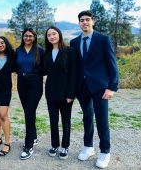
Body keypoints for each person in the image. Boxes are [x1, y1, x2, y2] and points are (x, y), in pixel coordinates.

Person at [70, 10, 119, 168]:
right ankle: (88, 147)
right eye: (82, 20)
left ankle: (105, 152)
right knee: (87, 117)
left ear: (93, 21)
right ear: (79, 23)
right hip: (82, 87)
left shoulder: (103, 40)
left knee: (102, 119)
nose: (84, 22)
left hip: (100, 87)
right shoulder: (74, 42)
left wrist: (112, 87)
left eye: (87, 19)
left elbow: (112, 64)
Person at [43, 26, 77, 160]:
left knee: (66, 121)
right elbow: (45, 71)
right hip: (50, 93)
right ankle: (55, 144)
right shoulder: (47, 52)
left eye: (54, 34)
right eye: (49, 35)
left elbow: (73, 74)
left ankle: (65, 146)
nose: (52, 37)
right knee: (53, 120)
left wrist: (71, 94)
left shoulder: (70, 51)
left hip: (65, 94)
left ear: (59, 34)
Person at [16, 28, 45, 160]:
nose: (28, 38)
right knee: (29, 112)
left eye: (30, 36)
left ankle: (28, 145)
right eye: (25, 36)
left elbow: (45, 68)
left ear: (34, 37)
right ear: (23, 37)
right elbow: (15, 66)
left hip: (35, 83)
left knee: (29, 111)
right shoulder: (18, 51)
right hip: (21, 82)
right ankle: (33, 137)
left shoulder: (40, 50)